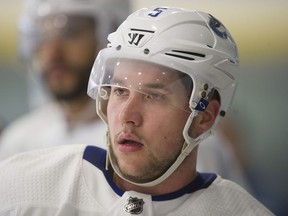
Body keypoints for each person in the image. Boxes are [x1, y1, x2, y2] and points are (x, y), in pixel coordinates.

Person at [0, 6, 273, 215]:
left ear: (204, 117)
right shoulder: (20, 184)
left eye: (154, 95)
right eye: (119, 90)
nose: (127, 115)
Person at [0, 0, 131, 159]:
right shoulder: (19, 142)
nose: (51, 54)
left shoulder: (134, 142)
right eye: (41, 37)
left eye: (71, 32)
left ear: (113, 35)